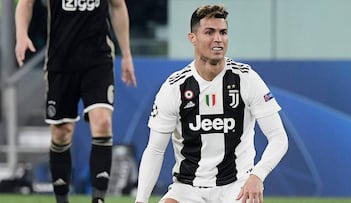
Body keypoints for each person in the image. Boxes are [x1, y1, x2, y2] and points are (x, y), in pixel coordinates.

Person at [135, 4, 288, 203]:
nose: (218, 39)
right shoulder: (175, 87)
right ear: (193, 38)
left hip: (236, 187)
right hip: (187, 189)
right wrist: (140, 200)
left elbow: (278, 138)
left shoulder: (246, 78)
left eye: (223, 32)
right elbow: (155, 149)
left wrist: (257, 175)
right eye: (209, 32)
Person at [15, 0, 137, 203]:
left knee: (103, 122)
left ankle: (98, 199)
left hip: (98, 60)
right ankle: (61, 199)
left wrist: (126, 55)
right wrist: (21, 34)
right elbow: (25, 3)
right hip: (60, 62)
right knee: (62, 132)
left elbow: (118, 6)